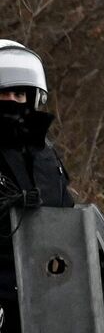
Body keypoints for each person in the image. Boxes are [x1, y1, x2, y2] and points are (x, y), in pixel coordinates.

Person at [1, 40, 75, 333]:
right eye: (2, 92)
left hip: (50, 297)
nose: (11, 100)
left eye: (18, 93)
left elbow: (69, 222)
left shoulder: (45, 156)